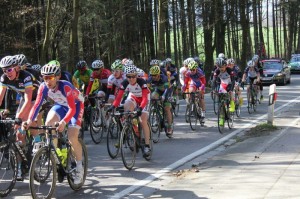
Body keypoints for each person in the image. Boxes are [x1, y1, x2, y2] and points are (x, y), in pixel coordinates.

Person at [23, 63, 85, 185]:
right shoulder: (43, 87)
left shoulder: (65, 86)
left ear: (57, 77)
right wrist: (30, 120)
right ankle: (53, 154)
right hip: (61, 105)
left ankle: (79, 168)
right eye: (44, 78)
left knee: (72, 137)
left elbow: (72, 108)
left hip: (76, 106)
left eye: (50, 77)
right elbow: (37, 105)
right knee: (48, 123)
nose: (47, 81)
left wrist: (63, 122)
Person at [0, 55, 41, 180]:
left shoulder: (26, 76)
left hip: (37, 98)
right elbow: (0, 96)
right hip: (25, 99)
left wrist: (20, 118)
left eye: (9, 70)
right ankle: (19, 167)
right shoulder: (4, 78)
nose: (7, 73)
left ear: (17, 68)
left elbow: (29, 101)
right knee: (19, 135)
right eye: (4, 70)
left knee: (30, 122)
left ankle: (39, 145)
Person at [107, 64, 151, 157]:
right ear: (125, 76)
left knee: (143, 120)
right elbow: (118, 97)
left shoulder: (141, 82)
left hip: (144, 98)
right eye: (128, 77)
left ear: (136, 75)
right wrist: (113, 106)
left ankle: (147, 145)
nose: (131, 79)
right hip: (133, 96)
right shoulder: (124, 83)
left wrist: (140, 108)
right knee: (127, 110)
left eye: (133, 76)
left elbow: (144, 99)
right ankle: (132, 128)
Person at [147, 65, 173, 136]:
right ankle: (157, 111)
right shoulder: (150, 79)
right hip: (158, 90)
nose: (153, 77)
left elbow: (167, 89)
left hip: (167, 91)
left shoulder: (164, 78)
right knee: (153, 97)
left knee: (167, 108)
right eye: (152, 75)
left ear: (158, 74)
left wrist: (164, 96)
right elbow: (147, 89)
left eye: (155, 75)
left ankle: (170, 127)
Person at [212, 58, 235, 126]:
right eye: (219, 67)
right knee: (221, 99)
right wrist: (213, 89)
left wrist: (231, 89)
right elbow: (214, 81)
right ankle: (222, 118)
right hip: (223, 83)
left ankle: (232, 103)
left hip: (230, 82)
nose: (221, 69)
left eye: (222, 67)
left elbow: (233, 81)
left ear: (225, 66)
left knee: (230, 93)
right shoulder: (217, 71)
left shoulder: (229, 70)